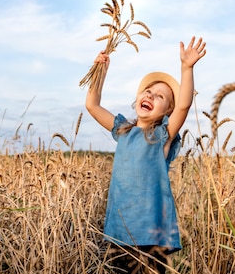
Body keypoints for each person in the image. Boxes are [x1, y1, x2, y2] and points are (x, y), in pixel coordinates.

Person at [86, 36, 207, 274]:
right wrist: (100, 71)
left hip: (151, 236)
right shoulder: (123, 130)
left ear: (167, 112)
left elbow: (183, 106)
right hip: (119, 232)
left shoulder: (162, 136)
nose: (150, 96)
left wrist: (186, 68)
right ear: (137, 99)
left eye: (160, 97)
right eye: (148, 92)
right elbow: (92, 105)